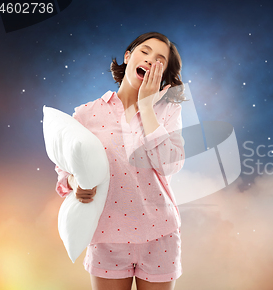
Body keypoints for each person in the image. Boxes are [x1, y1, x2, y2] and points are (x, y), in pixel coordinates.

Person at [54, 32, 186, 290]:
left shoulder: (168, 111)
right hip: (106, 237)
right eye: (145, 52)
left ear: (163, 73)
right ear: (128, 56)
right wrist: (74, 182)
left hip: (159, 234)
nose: (149, 61)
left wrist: (147, 108)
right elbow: (65, 167)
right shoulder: (86, 113)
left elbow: (170, 165)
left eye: (159, 60)